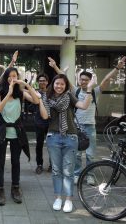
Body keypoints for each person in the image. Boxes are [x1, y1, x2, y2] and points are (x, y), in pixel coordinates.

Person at [48, 56, 126, 184]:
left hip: (90, 126)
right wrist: (55, 66)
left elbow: (106, 79)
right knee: (77, 154)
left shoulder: (95, 91)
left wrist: (117, 68)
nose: (83, 82)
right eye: (81, 79)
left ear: (90, 81)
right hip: (76, 127)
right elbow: (63, 78)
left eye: (86, 80)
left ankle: (90, 175)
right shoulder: (75, 90)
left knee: (90, 154)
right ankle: (77, 174)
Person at [40, 73, 94, 213]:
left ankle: (69, 199)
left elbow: (84, 105)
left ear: (65, 86)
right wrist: (39, 98)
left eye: (62, 84)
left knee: (68, 171)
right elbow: (45, 116)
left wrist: (89, 89)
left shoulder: (69, 96)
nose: (59, 86)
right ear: (53, 84)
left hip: (70, 137)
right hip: (53, 137)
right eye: (57, 83)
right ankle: (58, 198)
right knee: (56, 171)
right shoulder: (47, 97)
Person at [0, 67, 40, 206]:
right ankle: (0, 189)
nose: (12, 78)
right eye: (10, 76)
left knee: (15, 161)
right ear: (6, 77)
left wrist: (25, 85)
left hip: (17, 132)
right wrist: (8, 92)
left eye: (15, 75)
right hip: (2, 131)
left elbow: (36, 101)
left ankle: (15, 188)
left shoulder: (21, 93)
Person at [33, 73, 51, 174]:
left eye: (44, 80)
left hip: (51, 122)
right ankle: (39, 165)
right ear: (38, 82)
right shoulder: (35, 93)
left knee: (51, 144)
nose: (42, 82)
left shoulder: (51, 92)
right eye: (40, 81)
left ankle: (52, 165)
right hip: (39, 122)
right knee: (39, 145)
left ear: (47, 82)